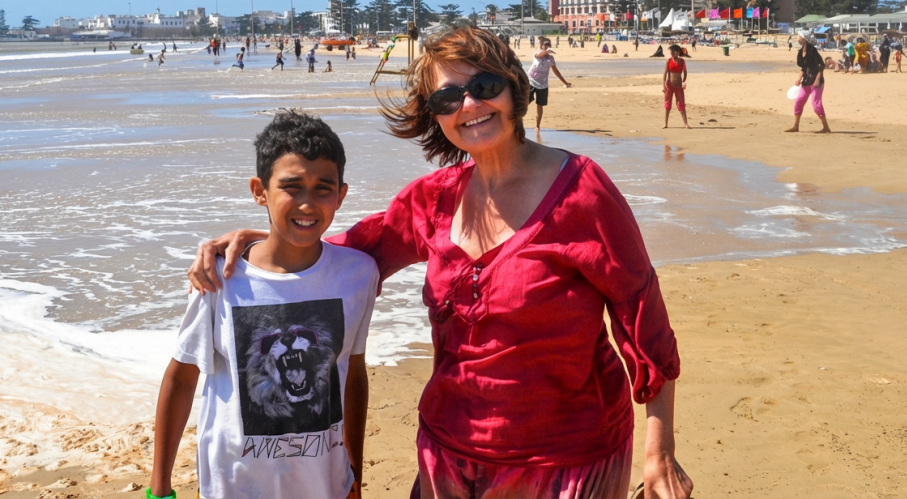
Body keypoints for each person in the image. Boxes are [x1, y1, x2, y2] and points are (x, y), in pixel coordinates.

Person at [188, 27, 692, 499]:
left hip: (565, 458)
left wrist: (659, 450)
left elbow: (642, 319)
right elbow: (341, 256)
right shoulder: (432, 200)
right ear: (435, 115)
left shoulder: (582, 190)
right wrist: (262, 241)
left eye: (484, 86)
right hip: (447, 453)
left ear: (513, 87)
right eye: (448, 98)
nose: (469, 105)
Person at [151, 111, 376, 499]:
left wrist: (353, 473)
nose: (307, 203)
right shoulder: (220, 276)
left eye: (324, 188)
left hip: (325, 486)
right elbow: (182, 377)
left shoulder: (359, 274)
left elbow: (352, 373)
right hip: (235, 487)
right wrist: (159, 488)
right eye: (292, 187)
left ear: (341, 194)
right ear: (260, 191)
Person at [785, 30, 831, 134]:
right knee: (798, 102)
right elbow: (804, 68)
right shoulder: (801, 52)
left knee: (816, 104)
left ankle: (826, 128)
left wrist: (818, 79)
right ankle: (795, 126)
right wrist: (798, 79)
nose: (797, 38)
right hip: (806, 81)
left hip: (816, 82)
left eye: (799, 36)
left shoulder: (812, 51)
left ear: (804, 38)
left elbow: (821, 66)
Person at [527, 36, 572, 131]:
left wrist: (565, 82)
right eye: (545, 45)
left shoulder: (550, 58)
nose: (547, 46)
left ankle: (537, 126)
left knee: (540, 104)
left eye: (548, 45)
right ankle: (516, 120)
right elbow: (539, 55)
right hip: (531, 81)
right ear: (541, 46)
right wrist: (545, 51)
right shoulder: (537, 53)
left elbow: (556, 71)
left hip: (543, 84)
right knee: (525, 101)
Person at [663, 44, 690, 129]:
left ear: (676, 52)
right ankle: (665, 123)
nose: (670, 53)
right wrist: (663, 86)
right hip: (669, 85)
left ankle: (685, 124)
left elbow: (685, 72)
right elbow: (665, 74)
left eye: (672, 51)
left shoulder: (682, 61)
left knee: (681, 104)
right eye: (670, 51)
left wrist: (684, 82)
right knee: (667, 104)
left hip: (678, 85)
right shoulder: (668, 61)